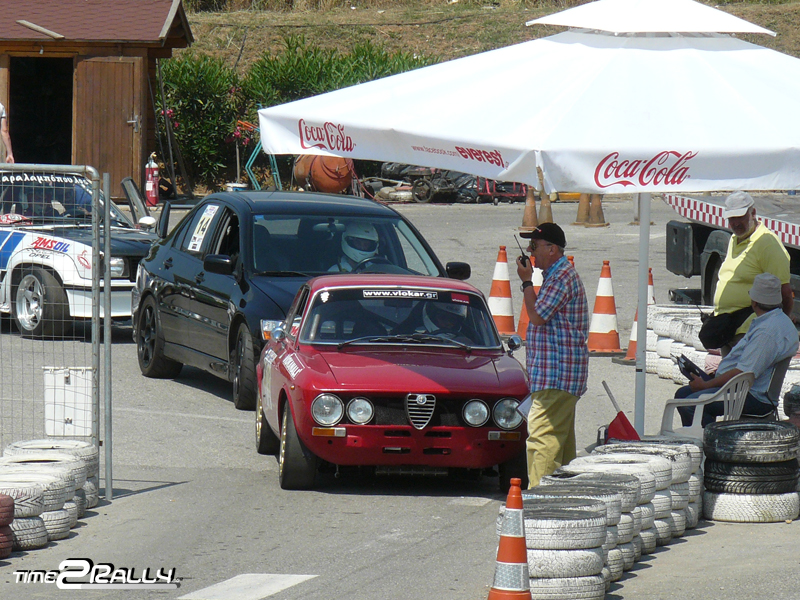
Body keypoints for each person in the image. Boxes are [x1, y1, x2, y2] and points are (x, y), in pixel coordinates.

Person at [515, 223, 589, 487]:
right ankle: (565, 496)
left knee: (542, 440)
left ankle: (540, 499)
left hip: (556, 376)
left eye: (534, 246)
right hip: (557, 376)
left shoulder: (560, 277)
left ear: (552, 249)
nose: (529, 251)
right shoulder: (556, 275)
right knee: (561, 443)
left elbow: (537, 316)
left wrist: (526, 282)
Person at [676, 273, 799, 427]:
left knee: (690, 404)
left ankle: (710, 439)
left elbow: (743, 373)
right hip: (742, 388)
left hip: (751, 396)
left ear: (754, 302)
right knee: (682, 395)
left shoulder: (767, 333)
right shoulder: (775, 321)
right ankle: (700, 434)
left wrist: (707, 385)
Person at [701, 191, 792, 354]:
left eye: (740, 217)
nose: (735, 223)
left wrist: (778, 330)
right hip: (727, 328)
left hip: (749, 331)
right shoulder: (735, 239)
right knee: (728, 371)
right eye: (731, 218)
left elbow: (784, 292)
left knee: (743, 370)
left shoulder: (767, 243)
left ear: (753, 213)